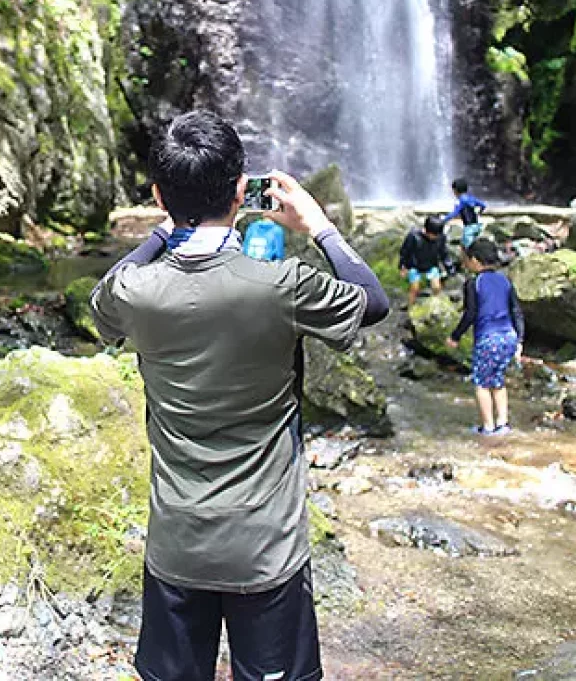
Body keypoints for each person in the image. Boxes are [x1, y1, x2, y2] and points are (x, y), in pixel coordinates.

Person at [89, 112, 389, 681]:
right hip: (266, 549)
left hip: (177, 544)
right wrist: (320, 227)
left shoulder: (135, 292)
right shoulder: (281, 285)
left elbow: (106, 292)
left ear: (158, 193)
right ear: (239, 190)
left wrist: (163, 227)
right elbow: (371, 302)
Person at [445, 238, 525, 436]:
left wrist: (455, 336)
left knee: (482, 383)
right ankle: (503, 424)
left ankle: (488, 427)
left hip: (488, 338)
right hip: (509, 336)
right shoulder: (505, 280)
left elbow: (470, 313)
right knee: (497, 381)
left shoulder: (474, 283)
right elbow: (516, 311)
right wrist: (520, 340)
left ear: (475, 260)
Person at [397, 215, 453, 307]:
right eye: (434, 235)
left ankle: (436, 306)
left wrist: (450, 269)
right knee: (415, 288)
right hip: (414, 265)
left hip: (431, 265)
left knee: (436, 287)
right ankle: (411, 306)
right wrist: (402, 266)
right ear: (427, 231)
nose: (435, 237)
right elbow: (404, 252)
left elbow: (444, 253)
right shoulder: (413, 236)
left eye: (437, 235)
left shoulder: (441, 237)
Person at [443, 177, 487, 250]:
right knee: (471, 245)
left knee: (467, 249)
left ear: (455, 190)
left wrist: (443, 220)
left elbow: (454, 213)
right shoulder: (471, 198)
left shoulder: (460, 201)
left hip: (469, 228)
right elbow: (483, 205)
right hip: (477, 226)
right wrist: (480, 213)